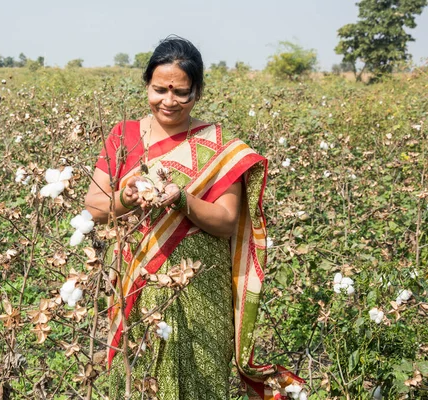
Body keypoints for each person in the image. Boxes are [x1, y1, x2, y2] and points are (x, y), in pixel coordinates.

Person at [85, 36, 302, 399]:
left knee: (201, 381)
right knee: (138, 380)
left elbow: (225, 222)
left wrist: (182, 199)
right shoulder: (123, 136)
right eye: (159, 90)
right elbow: (94, 207)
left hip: (201, 285)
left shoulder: (219, 146)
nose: (168, 101)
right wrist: (126, 197)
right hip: (135, 280)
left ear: (197, 92)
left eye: (181, 92)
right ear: (146, 86)